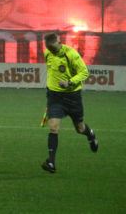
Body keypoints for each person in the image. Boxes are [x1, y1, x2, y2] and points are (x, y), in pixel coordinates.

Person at [41, 32, 98, 173]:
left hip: (72, 97)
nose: (53, 51)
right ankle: (51, 162)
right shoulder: (47, 53)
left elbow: (84, 72)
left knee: (80, 128)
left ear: (59, 43)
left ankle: (90, 134)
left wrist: (69, 82)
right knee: (53, 127)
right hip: (55, 98)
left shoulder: (71, 54)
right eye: (50, 49)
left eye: (55, 48)